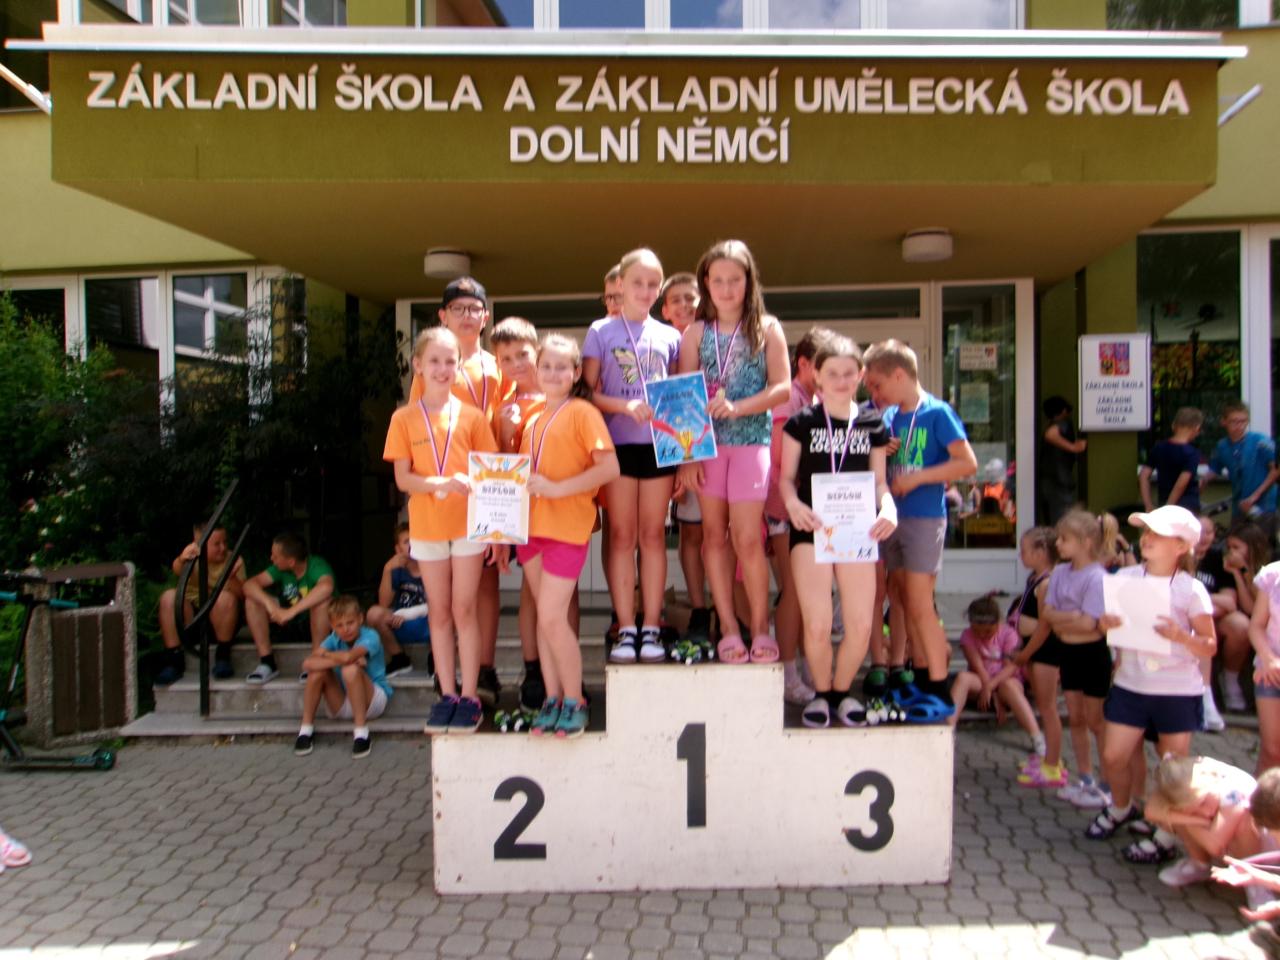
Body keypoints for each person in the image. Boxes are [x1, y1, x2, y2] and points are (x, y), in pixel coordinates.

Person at [677, 239, 791, 664]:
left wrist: (740, 406)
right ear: (706, 283)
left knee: (746, 538)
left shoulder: (768, 328)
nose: (726, 289)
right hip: (707, 448)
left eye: (735, 280)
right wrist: (687, 456)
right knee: (712, 537)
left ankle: (760, 627)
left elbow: (782, 387)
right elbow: (683, 397)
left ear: (749, 281)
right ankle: (727, 627)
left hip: (750, 443)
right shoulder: (695, 333)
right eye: (718, 280)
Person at [384, 325, 500, 735]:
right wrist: (441, 484)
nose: (442, 368)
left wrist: (493, 531)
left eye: (450, 361)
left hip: (468, 527)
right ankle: (447, 694)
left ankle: (469, 695)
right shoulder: (403, 418)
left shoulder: (473, 417)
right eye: (434, 361)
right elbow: (403, 478)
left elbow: (490, 474)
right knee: (439, 611)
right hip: (428, 528)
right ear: (418, 365)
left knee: (464, 610)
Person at [779, 333, 896, 726]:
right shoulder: (801, 422)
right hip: (811, 527)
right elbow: (786, 479)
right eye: (833, 373)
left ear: (861, 375)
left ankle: (839, 693)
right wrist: (793, 505)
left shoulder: (872, 423)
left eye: (849, 373)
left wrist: (888, 508)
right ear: (816, 375)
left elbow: (879, 482)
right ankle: (820, 693)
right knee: (817, 623)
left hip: (857, 531)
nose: (842, 381)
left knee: (861, 625)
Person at [1086, 507, 1215, 849]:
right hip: (1131, 684)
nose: (1147, 538)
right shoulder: (1125, 578)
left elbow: (1210, 645)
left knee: (1173, 766)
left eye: (1158, 534)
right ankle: (1122, 807)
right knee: (1113, 756)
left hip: (1177, 691)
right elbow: (1106, 625)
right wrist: (1104, 624)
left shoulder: (1191, 590)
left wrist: (1180, 636)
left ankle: (1167, 831)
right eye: (1146, 532)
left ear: (1181, 546)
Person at [862, 338, 977, 712]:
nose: (874, 394)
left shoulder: (937, 412)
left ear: (899, 375)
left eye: (877, 385)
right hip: (892, 518)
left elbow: (967, 463)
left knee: (919, 601)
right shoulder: (890, 416)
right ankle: (921, 675)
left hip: (924, 518)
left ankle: (939, 685)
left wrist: (919, 478)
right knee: (900, 597)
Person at [412, 277, 509, 707]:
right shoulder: (436, 364)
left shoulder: (497, 365)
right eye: (458, 308)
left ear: (485, 317)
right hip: (446, 489)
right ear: (443, 316)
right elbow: (419, 429)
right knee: (445, 591)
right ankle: (446, 670)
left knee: (485, 581)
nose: (467, 316)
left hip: (492, 481)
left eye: (474, 308)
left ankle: (483, 667)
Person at [583, 248, 683, 665]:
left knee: (653, 536)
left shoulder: (671, 336)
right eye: (637, 282)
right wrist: (624, 406)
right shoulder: (600, 331)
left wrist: (684, 456)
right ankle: (626, 626)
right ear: (620, 285)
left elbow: (680, 398)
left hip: (659, 448)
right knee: (622, 537)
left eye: (652, 284)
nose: (644, 290)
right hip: (617, 448)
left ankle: (652, 625)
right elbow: (586, 393)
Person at [519, 334, 620, 738]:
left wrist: (559, 489)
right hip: (531, 530)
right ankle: (553, 698)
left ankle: (575, 699)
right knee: (545, 622)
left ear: (576, 373)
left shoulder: (582, 412)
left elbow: (609, 468)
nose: (553, 373)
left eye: (562, 367)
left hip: (566, 529)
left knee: (551, 616)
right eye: (546, 366)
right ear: (536, 371)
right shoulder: (532, 418)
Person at [492, 315, 555, 711]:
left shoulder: (561, 395)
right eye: (506, 358)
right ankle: (534, 669)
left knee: (565, 595)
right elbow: (498, 470)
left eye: (522, 354)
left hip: (562, 510)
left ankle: (562, 669)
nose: (516, 363)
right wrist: (504, 433)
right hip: (526, 514)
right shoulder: (503, 409)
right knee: (533, 592)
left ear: (537, 350)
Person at [768, 326, 831, 704]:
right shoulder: (789, 399)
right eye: (822, 366)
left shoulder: (816, 398)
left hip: (814, 509)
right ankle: (787, 672)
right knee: (793, 590)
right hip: (785, 508)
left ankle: (811, 666)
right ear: (803, 363)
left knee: (811, 591)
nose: (827, 375)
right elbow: (779, 456)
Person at [1039, 509, 1111, 808]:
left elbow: (1090, 624)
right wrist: (1073, 617)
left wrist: (1066, 619)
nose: (1058, 544)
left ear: (1085, 542)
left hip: (1092, 655)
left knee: (1097, 720)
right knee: (1076, 717)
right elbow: (1048, 614)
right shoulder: (1059, 573)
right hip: (1067, 652)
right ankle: (1085, 777)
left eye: (1064, 539)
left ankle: (1108, 781)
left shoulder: (1097, 577)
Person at [660, 272, 712, 650]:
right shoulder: (662, 346)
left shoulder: (715, 340)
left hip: (723, 450)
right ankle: (699, 610)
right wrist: (679, 463)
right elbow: (666, 408)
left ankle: (731, 611)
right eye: (676, 299)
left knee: (722, 535)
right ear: (665, 309)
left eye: (690, 298)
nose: (684, 305)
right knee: (691, 535)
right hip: (683, 453)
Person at [294, 595, 393, 759]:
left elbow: (348, 658)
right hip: (343, 701)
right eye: (339, 625)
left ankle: (361, 733)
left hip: (372, 701)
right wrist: (338, 659)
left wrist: (327, 655)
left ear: (360, 619)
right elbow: (308, 663)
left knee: (350, 669)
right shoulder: (333, 638)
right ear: (332, 626)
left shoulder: (371, 636)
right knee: (317, 672)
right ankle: (305, 730)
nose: (345, 629)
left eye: (350, 623)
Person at [1147, 754, 1262, 889]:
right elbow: (1150, 812)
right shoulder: (1181, 779)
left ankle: (1256, 882)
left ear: (1212, 783)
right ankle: (1200, 865)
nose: (1206, 812)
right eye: (1195, 810)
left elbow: (1215, 846)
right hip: (1223, 834)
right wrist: (1194, 819)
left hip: (1265, 848)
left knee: (1244, 821)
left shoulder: (1234, 791)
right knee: (1175, 812)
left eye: (1204, 802)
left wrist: (1188, 820)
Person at [155, 522, 245, 685]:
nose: (223, 548)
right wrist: (182, 559)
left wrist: (232, 577)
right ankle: (174, 659)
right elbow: (177, 568)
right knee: (168, 598)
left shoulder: (233, 559)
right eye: (216, 544)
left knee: (225, 598)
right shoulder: (192, 558)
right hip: (193, 618)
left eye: (224, 542)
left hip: (222, 621)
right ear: (200, 544)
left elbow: (243, 596)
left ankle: (223, 656)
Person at [241, 532, 335, 685]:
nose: (271, 558)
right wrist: (271, 606)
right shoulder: (280, 568)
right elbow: (249, 585)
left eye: (275, 556)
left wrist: (291, 612)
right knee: (252, 601)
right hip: (288, 621)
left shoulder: (316, 565)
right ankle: (267, 662)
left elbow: (326, 587)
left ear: (291, 562)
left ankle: (317, 660)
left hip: (317, 622)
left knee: (322, 603)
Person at [950, 596, 1042, 748]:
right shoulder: (967, 635)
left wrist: (993, 689)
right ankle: (948, 730)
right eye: (977, 631)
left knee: (1009, 685)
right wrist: (991, 692)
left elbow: (1011, 667)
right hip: (982, 682)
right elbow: (978, 667)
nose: (981, 635)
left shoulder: (1009, 634)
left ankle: (1036, 737)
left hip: (1006, 682)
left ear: (998, 623)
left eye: (987, 631)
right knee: (962, 678)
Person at [1009, 526, 1058, 779]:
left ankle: (1053, 763)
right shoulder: (1034, 579)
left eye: (1024, 550)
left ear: (1040, 553)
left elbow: (1045, 626)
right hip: (1033, 649)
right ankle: (1047, 757)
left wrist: (1026, 653)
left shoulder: (1046, 583)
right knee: (1042, 705)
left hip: (1044, 651)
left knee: (1048, 708)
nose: (1021, 555)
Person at [1215, 521, 1270, 714]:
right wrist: (1238, 573)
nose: (1231, 552)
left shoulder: (1269, 570)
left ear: (1252, 546)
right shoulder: (1237, 570)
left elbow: (1258, 605)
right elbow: (1249, 608)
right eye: (1229, 547)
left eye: (1236, 547)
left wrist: (1245, 570)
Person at [365, 522, 428, 680]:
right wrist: (387, 569)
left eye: (416, 540)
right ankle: (399, 658)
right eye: (406, 542)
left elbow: (440, 604)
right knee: (373, 613)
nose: (412, 545)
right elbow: (384, 604)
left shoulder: (433, 566)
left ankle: (436, 658)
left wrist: (407, 614)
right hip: (399, 623)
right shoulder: (397, 570)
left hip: (429, 624)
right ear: (398, 549)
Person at [1207, 401, 1278, 537]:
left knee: (1261, 544)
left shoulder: (1260, 441)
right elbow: (1213, 470)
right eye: (1234, 421)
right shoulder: (1222, 446)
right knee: (1236, 540)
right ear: (1224, 422)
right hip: (1239, 505)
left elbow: (1275, 469)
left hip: (1264, 505)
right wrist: (1200, 482)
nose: (1239, 426)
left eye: (1243, 421)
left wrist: (1255, 496)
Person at [1249, 550, 1280, 773]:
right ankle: (1260, 796)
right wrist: (1268, 659)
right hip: (1270, 672)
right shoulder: (1272, 575)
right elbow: (1256, 625)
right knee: (1271, 751)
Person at [1140, 407, 1204, 513]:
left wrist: (1148, 504)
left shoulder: (1159, 448)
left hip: (1163, 501)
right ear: (1196, 428)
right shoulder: (1192, 453)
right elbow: (1182, 483)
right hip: (1186, 507)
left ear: (1174, 426)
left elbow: (1143, 476)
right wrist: (1168, 507)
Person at [1041, 395, 1085, 526]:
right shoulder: (1063, 423)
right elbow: (1051, 434)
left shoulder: (1049, 425)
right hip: (1059, 484)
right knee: (1062, 523)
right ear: (1064, 411)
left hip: (1048, 482)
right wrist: (1073, 447)